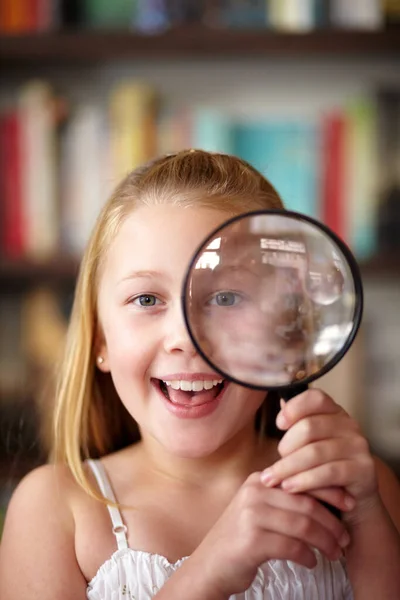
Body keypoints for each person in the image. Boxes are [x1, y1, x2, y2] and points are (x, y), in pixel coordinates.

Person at [0, 150, 399, 600]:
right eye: (147, 300)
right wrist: (208, 572)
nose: (184, 339)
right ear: (100, 340)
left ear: (287, 333)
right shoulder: (53, 510)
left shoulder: (362, 489)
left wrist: (366, 514)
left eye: (226, 298)